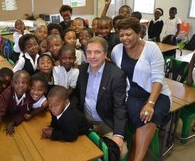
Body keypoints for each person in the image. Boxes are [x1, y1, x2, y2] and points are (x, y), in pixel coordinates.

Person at [111, 17, 171, 161]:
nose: (124, 38)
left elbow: (158, 79)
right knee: (141, 118)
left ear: (138, 33)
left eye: (129, 34)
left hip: (157, 94)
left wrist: (150, 104)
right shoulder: (116, 51)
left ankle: (136, 158)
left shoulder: (152, 49)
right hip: (132, 95)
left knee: (149, 115)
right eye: (121, 35)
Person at [73, 37, 128, 158]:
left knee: (120, 151)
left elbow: (120, 107)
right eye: (89, 52)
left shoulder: (116, 75)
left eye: (97, 52)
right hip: (85, 122)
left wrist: (118, 135)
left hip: (105, 123)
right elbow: (76, 96)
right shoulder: (81, 70)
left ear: (105, 54)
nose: (92, 56)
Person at [0, 70, 33, 148]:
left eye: (24, 83)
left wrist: (13, 122)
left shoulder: (29, 95)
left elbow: (24, 112)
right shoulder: (7, 93)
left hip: (11, 118)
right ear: (12, 84)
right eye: (16, 82)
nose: (20, 85)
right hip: (2, 117)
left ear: (29, 85)